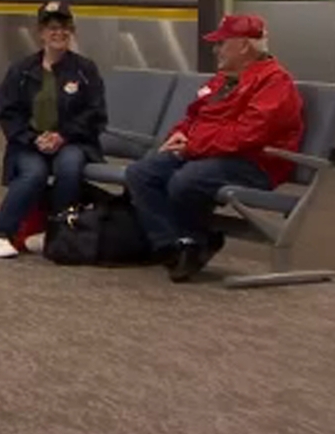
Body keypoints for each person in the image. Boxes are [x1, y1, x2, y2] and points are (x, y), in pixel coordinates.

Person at [123, 14, 304, 283]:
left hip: (256, 163)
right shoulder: (222, 79)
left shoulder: (275, 83)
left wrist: (193, 145)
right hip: (209, 153)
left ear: (244, 46)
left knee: (187, 179)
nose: (216, 49)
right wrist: (180, 135)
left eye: (222, 43)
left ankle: (194, 241)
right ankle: (172, 244)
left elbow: (247, 135)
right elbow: (194, 116)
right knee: (141, 173)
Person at [0, 1, 107, 259]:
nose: (58, 33)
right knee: (34, 173)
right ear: (40, 33)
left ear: (71, 31)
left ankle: (56, 230)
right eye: (52, 27)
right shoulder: (21, 71)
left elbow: (95, 113)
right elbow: (8, 113)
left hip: (73, 141)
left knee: (70, 166)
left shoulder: (85, 70)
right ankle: (1, 233)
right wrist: (33, 139)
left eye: (64, 27)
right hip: (29, 143)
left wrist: (63, 135)